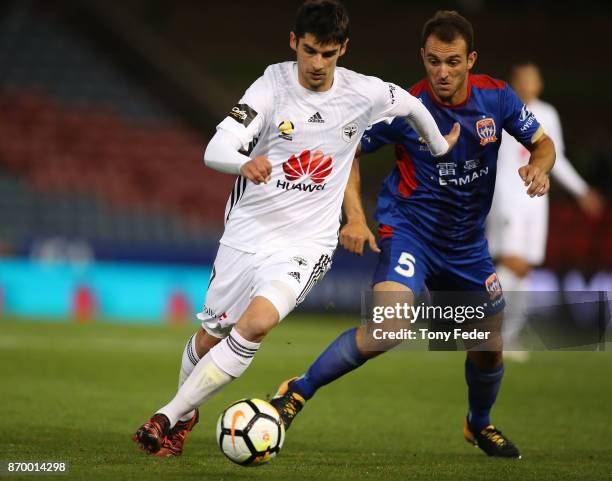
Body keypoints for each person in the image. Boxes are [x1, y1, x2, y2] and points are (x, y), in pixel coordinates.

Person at [131, 0, 459, 457]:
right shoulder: (271, 84)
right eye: (309, 51)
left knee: (258, 323)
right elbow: (215, 147)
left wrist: (440, 147)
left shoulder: (362, 92)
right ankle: (186, 415)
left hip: (307, 242)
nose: (318, 64)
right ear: (294, 42)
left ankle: (165, 417)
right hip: (248, 230)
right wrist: (244, 161)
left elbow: (410, 105)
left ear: (343, 48)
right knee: (210, 336)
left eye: (328, 53)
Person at [269, 10, 556, 459]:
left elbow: (543, 143)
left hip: (466, 244)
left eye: (454, 62)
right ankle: (296, 392)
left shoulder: (497, 98)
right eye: (434, 61)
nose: (443, 72)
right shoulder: (403, 107)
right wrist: (356, 218)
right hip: (410, 230)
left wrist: (539, 168)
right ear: (422, 57)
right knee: (389, 325)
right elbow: (347, 151)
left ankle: (479, 424)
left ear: (471, 60)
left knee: (489, 347)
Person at [487, 62, 604, 360]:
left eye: (532, 80)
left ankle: (506, 337)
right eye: (521, 79)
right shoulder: (500, 110)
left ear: (539, 85)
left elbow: (556, 158)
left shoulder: (547, 114)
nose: (527, 85)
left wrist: (580, 190)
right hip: (506, 196)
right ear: (513, 83)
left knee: (525, 269)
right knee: (511, 263)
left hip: (536, 199)